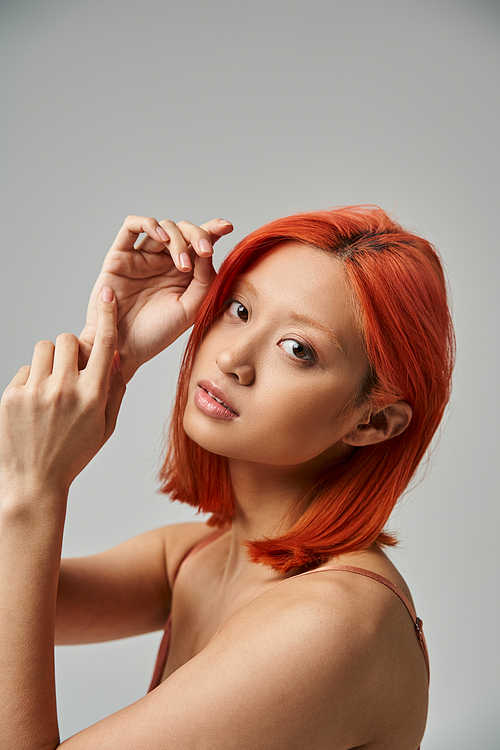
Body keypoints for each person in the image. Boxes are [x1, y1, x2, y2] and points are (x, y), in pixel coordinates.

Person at [0, 206, 454, 749]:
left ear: (373, 420)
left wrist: (35, 489)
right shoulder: (198, 558)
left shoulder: (330, 621)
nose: (233, 358)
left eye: (298, 349)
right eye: (239, 309)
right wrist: (106, 354)